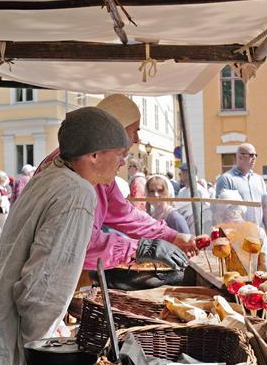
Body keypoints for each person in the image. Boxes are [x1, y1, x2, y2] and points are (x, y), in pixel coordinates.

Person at [0, 107, 131, 365]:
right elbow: (42, 290)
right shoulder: (77, 193)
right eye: (120, 153)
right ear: (94, 155)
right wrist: (44, 358)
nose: (123, 161)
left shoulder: (49, 178)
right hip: (10, 360)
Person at [35, 94, 194, 270]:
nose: (136, 140)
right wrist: (142, 248)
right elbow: (80, 243)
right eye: (135, 131)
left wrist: (171, 236)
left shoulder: (97, 170)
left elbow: (125, 214)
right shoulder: (74, 179)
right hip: (45, 275)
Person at [215, 143, 267, 243]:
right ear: (240, 156)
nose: (254, 158)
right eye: (251, 155)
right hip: (237, 236)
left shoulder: (259, 179)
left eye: (256, 155)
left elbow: (265, 206)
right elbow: (220, 211)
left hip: (258, 233)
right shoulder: (226, 179)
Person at [175, 163, 210, 234]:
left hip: (197, 226)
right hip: (184, 225)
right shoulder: (182, 191)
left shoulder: (199, 190)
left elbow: (206, 210)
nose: (179, 174)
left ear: (189, 174)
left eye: (182, 172)